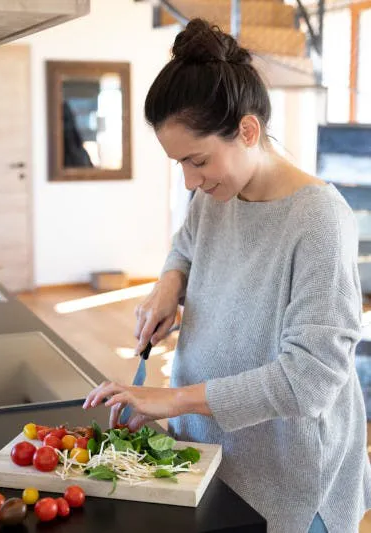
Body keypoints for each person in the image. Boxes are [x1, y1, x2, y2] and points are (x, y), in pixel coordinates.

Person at [83, 18, 371, 533]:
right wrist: (167, 285)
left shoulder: (320, 220)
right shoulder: (214, 194)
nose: (191, 181)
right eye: (180, 166)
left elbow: (309, 382)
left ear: (248, 130)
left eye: (197, 160)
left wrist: (169, 400)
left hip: (288, 479)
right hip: (209, 448)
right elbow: (185, 248)